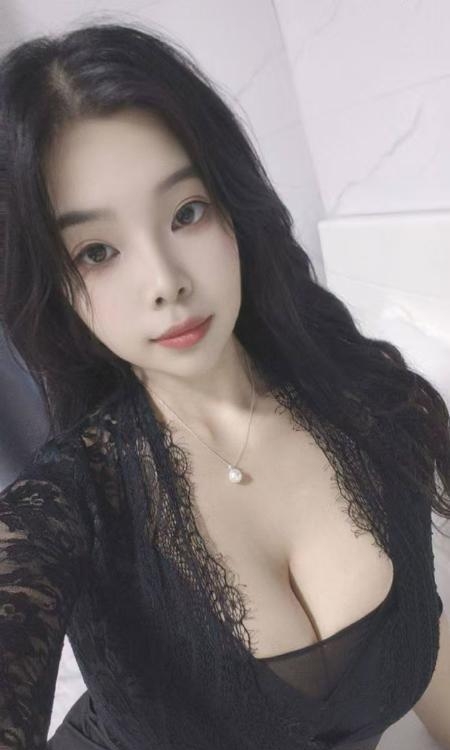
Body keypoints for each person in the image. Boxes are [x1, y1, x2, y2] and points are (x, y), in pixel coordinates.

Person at [0, 19, 449, 750]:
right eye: (97, 252)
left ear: (234, 209)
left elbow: (421, 629)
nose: (165, 282)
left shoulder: (376, 406)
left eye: (186, 213)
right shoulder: (71, 500)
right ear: (54, 286)